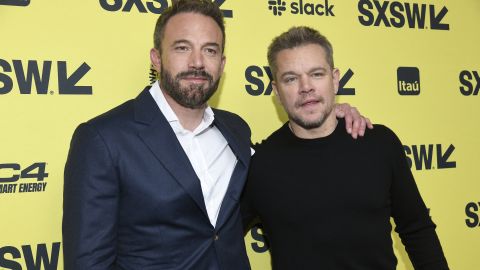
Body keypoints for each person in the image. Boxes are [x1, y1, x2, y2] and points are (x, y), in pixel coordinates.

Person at [62, 1, 369, 269]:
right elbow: (89, 262)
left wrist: (333, 117)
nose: (197, 62)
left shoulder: (235, 130)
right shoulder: (102, 139)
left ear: (222, 64)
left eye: (210, 50)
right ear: (156, 58)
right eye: (182, 47)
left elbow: (284, 168)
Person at [241, 26, 449, 269]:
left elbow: (417, 229)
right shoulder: (259, 165)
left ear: (335, 79)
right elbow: (217, 239)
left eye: (316, 74)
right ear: (276, 91)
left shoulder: (380, 144)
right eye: (291, 78)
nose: (305, 86)